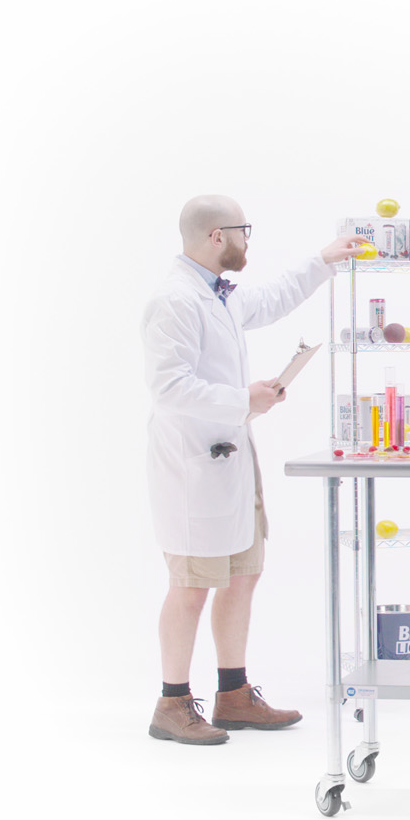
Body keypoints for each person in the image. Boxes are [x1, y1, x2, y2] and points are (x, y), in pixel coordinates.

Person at [140, 194, 365, 745]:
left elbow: (270, 301)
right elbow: (169, 388)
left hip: (231, 455)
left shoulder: (218, 293)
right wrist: (244, 399)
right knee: (191, 585)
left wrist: (323, 260)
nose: (248, 240)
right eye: (244, 230)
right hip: (194, 465)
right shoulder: (174, 300)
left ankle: (233, 694)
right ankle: (171, 702)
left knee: (244, 575)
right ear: (218, 236)